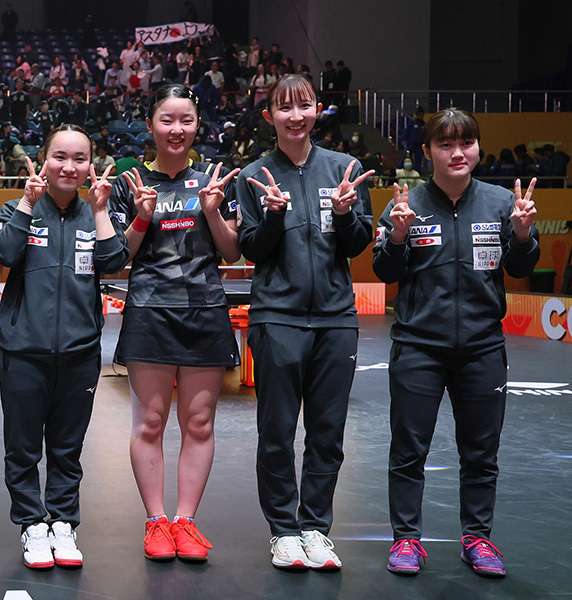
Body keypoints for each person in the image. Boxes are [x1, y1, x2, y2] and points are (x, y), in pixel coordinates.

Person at [373, 108, 539, 578]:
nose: (457, 152)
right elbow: (386, 272)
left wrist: (523, 235)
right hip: (417, 349)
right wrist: (399, 235)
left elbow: (522, 268)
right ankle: (406, 540)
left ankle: (478, 539)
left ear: (477, 148)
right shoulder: (405, 204)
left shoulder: (500, 203)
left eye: (465, 142)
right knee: (408, 451)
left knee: (481, 454)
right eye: (445, 144)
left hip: (483, 349)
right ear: (427, 153)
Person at [237, 74, 374, 571]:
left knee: (326, 433)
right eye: (284, 108)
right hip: (277, 317)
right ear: (269, 115)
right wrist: (272, 217)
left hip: (337, 320)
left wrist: (343, 213)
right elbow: (249, 249)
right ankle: (283, 531)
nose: (295, 116)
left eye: (304, 106)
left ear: (318, 110)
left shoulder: (347, 169)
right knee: (275, 430)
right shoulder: (251, 176)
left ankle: (315, 528)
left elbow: (359, 245)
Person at [107, 84, 240, 563]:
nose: (176, 129)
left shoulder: (215, 181)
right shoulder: (129, 182)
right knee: (151, 422)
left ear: (197, 125)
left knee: (199, 423)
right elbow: (119, 257)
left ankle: (185, 520)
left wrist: (212, 211)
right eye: (167, 120)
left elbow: (231, 252)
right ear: (150, 126)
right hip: (149, 312)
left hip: (205, 313)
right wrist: (140, 218)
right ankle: (155, 522)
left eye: (186, 120)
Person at [0, 125, 129, 569]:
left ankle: (63, 525)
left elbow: (113, 262)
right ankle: (33, 525)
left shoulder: (98, 214)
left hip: (80, 354)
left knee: (68, 448)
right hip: (22, 352)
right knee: (23, 447)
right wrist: (28, 205)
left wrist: (103, 210)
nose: (70, 167)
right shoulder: (16, 208)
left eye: (80, 158)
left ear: (91, 165)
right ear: (44, 160)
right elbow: (6, 254)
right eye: (60, 157)